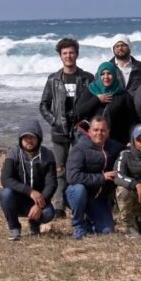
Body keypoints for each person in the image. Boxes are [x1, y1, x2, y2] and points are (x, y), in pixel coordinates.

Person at [39, 37, 94, 217]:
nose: (68, 56)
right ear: (60, 56)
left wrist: (89, 125)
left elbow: (93, 104)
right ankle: (59, 205)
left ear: (76, 54)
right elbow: (43, 105)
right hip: (59, 130)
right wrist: (54, 121)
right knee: (60, 169)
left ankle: (80, 203)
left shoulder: (87, 78)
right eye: (65, 53)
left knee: (79, 167)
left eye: (71, 52)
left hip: (81, 130)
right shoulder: (53, 79)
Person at [65, 115, 124, 240]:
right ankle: (78, 226)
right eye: (96, 130)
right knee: (78, 189)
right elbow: (72, 177)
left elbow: (131, 149)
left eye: (102, 130)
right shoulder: (79, 148)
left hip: (98, 199)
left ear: (108, 132)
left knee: (107, 231)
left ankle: (89, 224)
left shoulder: (114, 147)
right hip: (76, 194)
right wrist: (101, 177)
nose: (99, 133)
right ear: (89, 131)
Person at [0, 120, 57, 240]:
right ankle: (14, 228)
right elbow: (5, 179)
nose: (29, 140)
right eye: (25, 137)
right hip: (17, 200)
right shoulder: (13, 153)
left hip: (39, 200)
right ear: (20, 139)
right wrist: (30, 191)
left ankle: (34, 225)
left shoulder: (48, 155)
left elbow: (51, 184)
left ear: (39, 138)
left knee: (49, 213)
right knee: (5, 194)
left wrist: (39, 206)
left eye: (32, 137)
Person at [75, 61, 139, 145]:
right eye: (102, 74)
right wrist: (97, 99)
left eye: (109, 73)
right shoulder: (91, 90)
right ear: (98, 75)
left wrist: (131, 140)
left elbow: (132, 121)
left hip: (116, 142)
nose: (106, 77)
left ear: (114, 75)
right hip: (92, 140)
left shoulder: (123, 94)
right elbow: (79, 112)